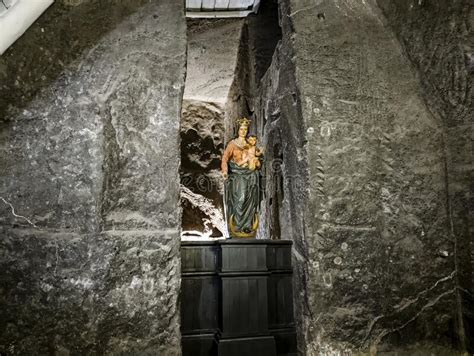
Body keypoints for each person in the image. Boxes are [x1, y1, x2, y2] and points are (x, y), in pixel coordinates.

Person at [221, 118, 262, 238]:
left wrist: (257, 163)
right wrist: (224, 171)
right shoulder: (232, 144)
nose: (243, 132)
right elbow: (225, 158)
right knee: (241, 199)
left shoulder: (250, 144)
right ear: (237, 130)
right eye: (241, 129)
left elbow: (258, 159)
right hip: (238, 175)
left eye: (245, 129)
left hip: (251, 175)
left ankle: (247, 228)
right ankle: (237, 226)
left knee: (251, 201)